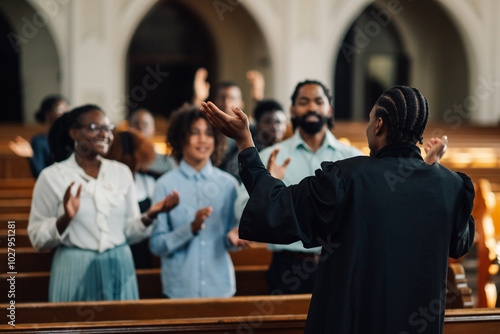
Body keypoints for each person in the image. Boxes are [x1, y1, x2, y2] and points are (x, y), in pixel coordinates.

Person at [200, 85, 475, 334]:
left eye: (369, 120)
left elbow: (278, 205)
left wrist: (246, 143)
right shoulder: (451, 185)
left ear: (379, 125)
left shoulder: (348, 177)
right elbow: (459, 243)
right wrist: (433, 169)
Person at [27, 104, 179, 302]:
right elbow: (37, 238)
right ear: (74, 132)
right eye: (94, 127)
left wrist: (150, 215)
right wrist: (65, 219)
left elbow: (130, 232)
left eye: (108, 128)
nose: (104, 134)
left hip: (118, 264)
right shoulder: (52, 177)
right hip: (74, 266)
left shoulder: (121, 172)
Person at [234, 80, 363, 294]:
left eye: (318, 101)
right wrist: (268, 187)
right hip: (288, 266)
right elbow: (241, 211)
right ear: (292, 110)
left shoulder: (352, 158)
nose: (311, 107)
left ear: (328, 109)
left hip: (339, 263)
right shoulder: (269, 157)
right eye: (304, 102)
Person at [149, 106, 250, 299]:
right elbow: (157, 245)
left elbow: (233, 236)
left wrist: (234, 238)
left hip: (221, 288)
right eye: (194, 133)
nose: (203, 139)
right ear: (180, 138)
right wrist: (191, 228)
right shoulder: (165, 184)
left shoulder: (228, 184)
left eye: (209, 134)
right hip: (179, 290)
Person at [105, 129, 158, 269]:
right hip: (115, 250)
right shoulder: (106, 186)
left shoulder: (150, 182)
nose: (131, 170)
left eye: (135, 164)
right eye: (126, 165)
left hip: (144, 251)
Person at [9, 95, 69, 178]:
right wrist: (30, 155)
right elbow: (39, 174)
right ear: (48, 114)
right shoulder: (39, 140)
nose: (65, 113)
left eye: (66, 108)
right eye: (59, 109)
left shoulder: (72, 137)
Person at [129, 108, 177, 178]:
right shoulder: (124, 159)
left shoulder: (167, 162)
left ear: (153, 128)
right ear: (129, 128)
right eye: (136, 123)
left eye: (145, 124)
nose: (140, 127)